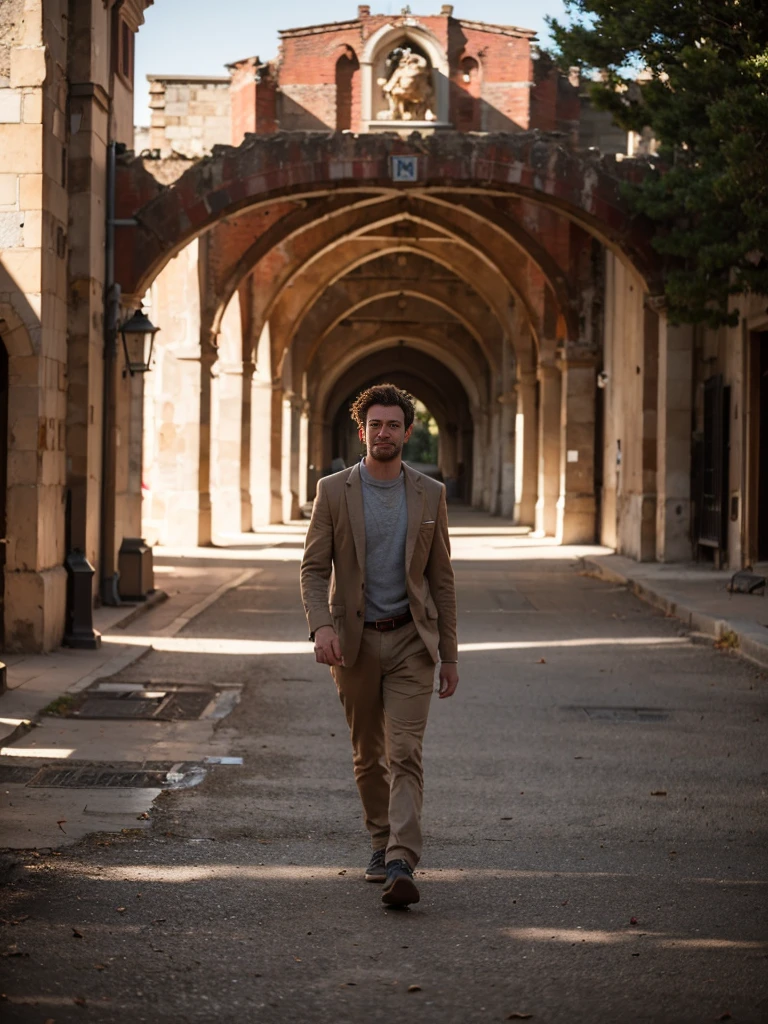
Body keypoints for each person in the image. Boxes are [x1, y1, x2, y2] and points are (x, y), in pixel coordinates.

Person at [300, 383, 458, 907]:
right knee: (368, 755)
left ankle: (400, 859)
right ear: (362, 430)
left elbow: (442, 580)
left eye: (393, 425)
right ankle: (377, 841)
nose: (384, 432)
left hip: (413, 641)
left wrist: (450, 655)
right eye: (375, 425)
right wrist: (321, 626)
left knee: (405, 751)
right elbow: (313, 568)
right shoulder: (333, 490)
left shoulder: (430, 494)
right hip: (354, 644)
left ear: (409, 432)